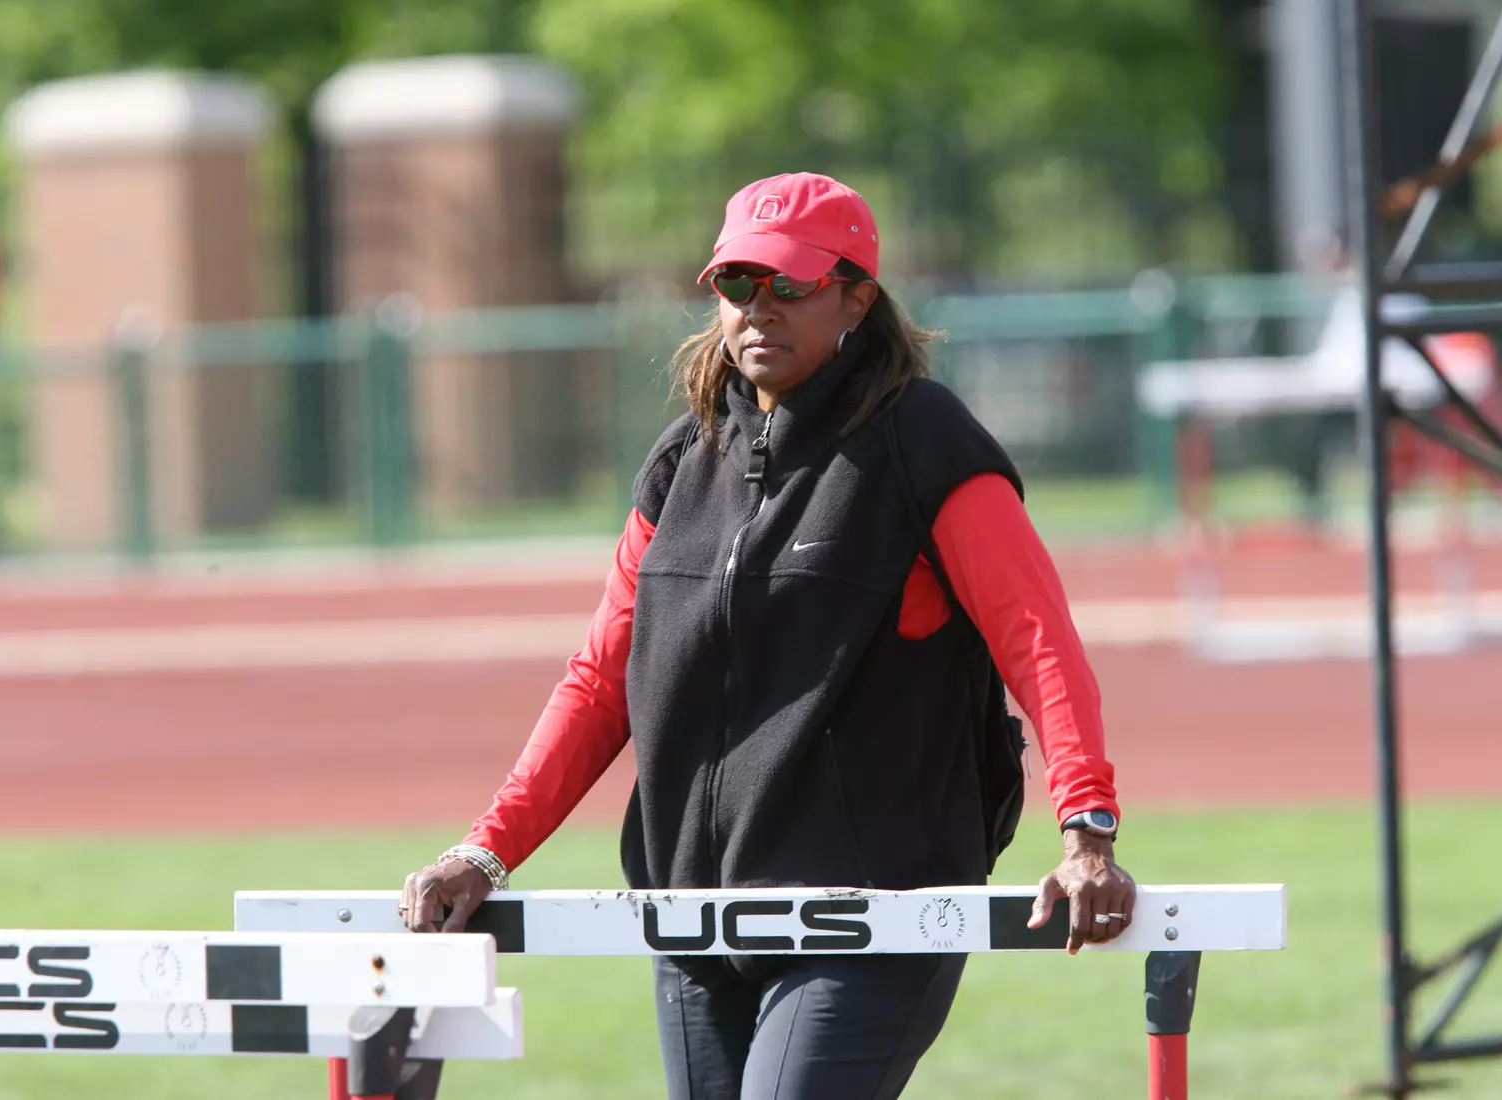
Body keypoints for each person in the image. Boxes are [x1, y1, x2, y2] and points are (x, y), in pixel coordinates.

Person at [399, 172, 1132, 1099]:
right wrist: (486, 851)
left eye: (791, 284)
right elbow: (600, 679)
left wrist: (1087, 827)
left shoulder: (927, 443)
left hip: (870, 922)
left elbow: (1039, 642)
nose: (760, 307)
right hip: (695, 922)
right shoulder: (682, 457)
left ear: (856, 299)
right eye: (739, 283)